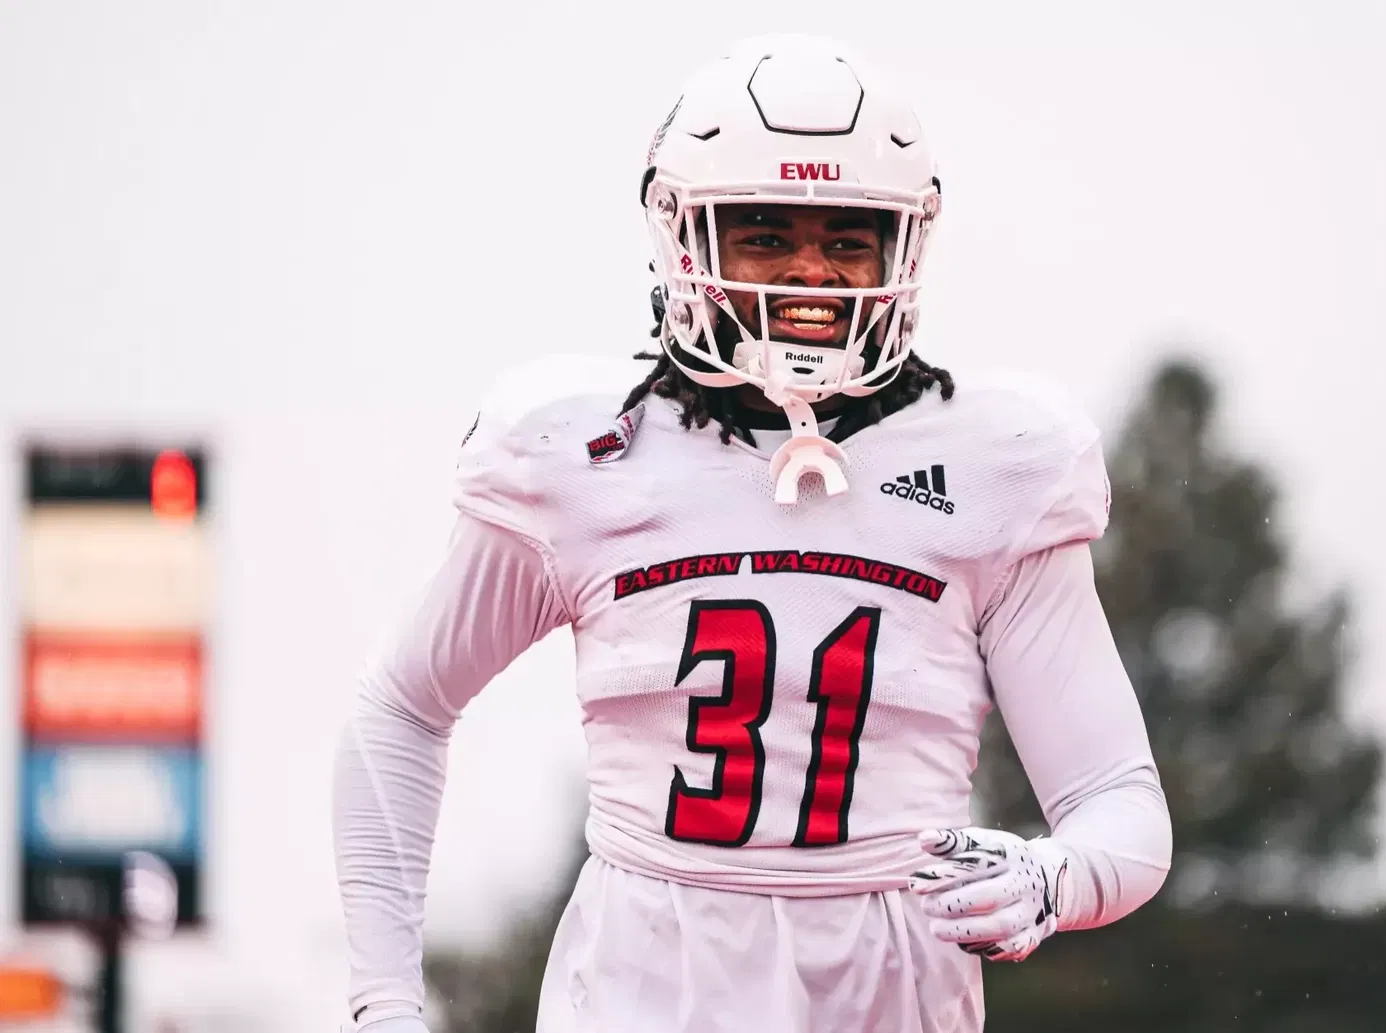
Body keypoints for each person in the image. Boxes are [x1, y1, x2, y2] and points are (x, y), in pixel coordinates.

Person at [333, 33, 1172, 1033]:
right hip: (646, 989)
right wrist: (385, 1004)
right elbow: (402, 705)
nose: (810, 271)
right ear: (686, 241)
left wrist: (1050, 877)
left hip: (888, 995)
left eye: (848, 238)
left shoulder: (997, 462)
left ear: (902, 247)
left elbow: (1121, 805)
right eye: (766, 235)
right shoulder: (581, 451)